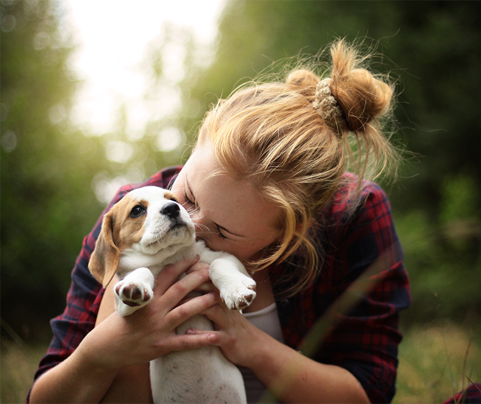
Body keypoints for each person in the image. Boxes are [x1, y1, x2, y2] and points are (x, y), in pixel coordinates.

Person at [28, 39, 411, 403]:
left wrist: (250, 344)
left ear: (290, 236)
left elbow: (369, 394)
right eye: (188, 196)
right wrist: (100, 354)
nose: (188, 225)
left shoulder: (354, 214)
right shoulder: (134, 217)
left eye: (223, 231)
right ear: (197, 142)